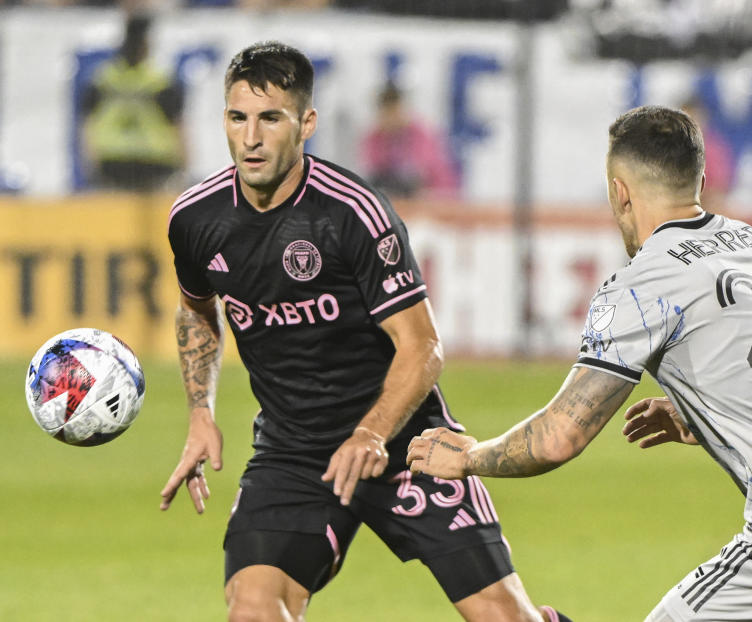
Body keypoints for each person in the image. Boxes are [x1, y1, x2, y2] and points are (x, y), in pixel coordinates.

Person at [407, 105, 752, 620]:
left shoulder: (642, 284)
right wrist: (712, 409)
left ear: (619, 192)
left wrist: (471, 457)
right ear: (697, 179)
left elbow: (558, 438)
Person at [160, 41, 571, 622]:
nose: (250, 138)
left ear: (306, 123)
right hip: (293, 454)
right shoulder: (196, 220)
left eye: (270, 118)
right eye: (237, 118)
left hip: (404, 442)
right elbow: (197, 310)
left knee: (504, 618)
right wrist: (201, 412)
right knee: (252, 608)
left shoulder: (352, 213)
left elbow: (423, 347)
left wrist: (372, 433)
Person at [81, 14, 184, 192]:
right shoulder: (159, 81)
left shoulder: (104, 79)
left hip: (112, 160)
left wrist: (90, 163)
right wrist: (184, 165)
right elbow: (178, 125)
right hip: (155, 161)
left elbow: (88, 123)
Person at [359, 81, 459, 199]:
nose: (391, 118)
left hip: (430, 198)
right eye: (387, 113)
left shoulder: (421, 134)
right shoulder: (374, 137)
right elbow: (374, 171)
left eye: (395, 111)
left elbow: (428, 172)